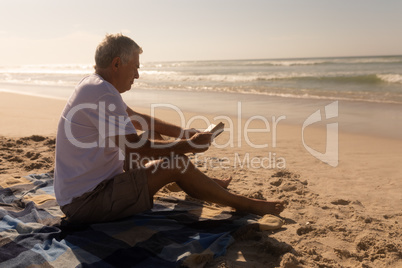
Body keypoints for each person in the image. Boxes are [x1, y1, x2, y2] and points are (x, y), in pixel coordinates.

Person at [54, 33, 285, 223]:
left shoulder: (95, 85)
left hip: (83, 192)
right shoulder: (103, 92)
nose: (137, 74)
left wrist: (186, 134)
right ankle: (244, 204)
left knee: (154, 137)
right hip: (87, 202)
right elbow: (136, 146)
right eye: (134, 67)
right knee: (178, 163)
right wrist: (189, 145)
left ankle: (191, 183)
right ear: (116, 63)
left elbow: (136, 118)